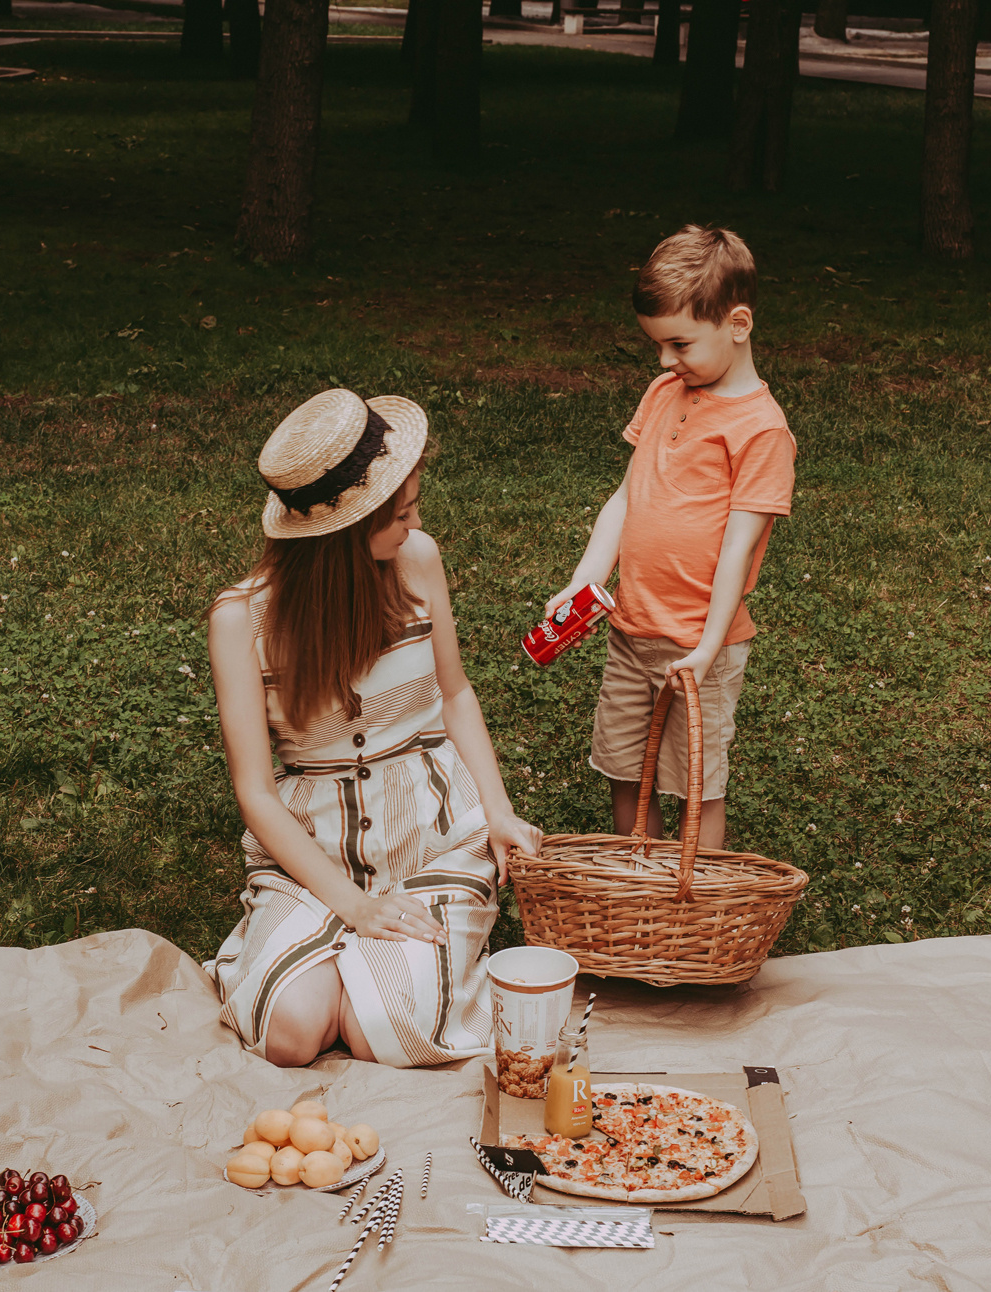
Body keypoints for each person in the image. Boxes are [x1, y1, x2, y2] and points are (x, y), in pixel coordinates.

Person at [207, 388, 543, 1069]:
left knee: (382, 1030)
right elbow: (255, 793)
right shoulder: (240, 621)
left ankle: (388, 963)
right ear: (343, 536)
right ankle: (329, 951)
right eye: (400, 514)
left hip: (431, 840)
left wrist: (499, 812)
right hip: (314, 853)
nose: (414, 524)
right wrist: (351, 907)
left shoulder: (417, 561)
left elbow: (453, 694)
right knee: (290, 1034)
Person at [547, 225, 796, 851]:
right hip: (631, 632)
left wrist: (709, 647)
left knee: (696, 789)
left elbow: (738, 551)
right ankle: (644, 887)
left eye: (679, 343)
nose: (664, 361)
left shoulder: (762, 432)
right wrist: (587, 576)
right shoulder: (666, 392)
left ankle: (697, 901)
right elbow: (626, 497)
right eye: (657, 345)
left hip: (697, 647)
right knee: (626, 775)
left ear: (737, 324)